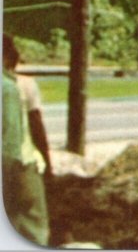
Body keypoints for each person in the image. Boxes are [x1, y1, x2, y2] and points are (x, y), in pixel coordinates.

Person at [2, 34, 49, 246]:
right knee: (32, 224)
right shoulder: (22, 85)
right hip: (20, 162)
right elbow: (36, 126)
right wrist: (48, 163)